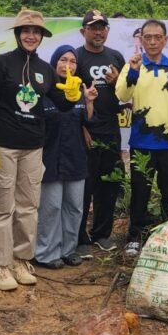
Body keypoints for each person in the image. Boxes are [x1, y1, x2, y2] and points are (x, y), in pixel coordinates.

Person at [0, 8, 68, 291]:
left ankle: (21, 260)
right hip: (3, 145)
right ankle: (0, 265)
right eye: (26, 31)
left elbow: (61, 103)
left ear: (42, 36)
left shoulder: (45, 69)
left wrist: (77, 94)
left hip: (33, 147)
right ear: (18, 34)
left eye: (36, 32)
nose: (31, 36)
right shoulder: (1, 63)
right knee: (0, 206)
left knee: (28, 207)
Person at [115, 19, 168, 257]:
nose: (153, 41)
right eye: (148, 37)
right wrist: (134, 72)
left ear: (165, 39)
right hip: (141, 142)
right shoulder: (133, 66)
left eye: (158, 37)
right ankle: (135, 235)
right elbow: (121, 94)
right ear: (141, 39)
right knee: (140, 191)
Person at [34, 46, 96, 268]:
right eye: (62, 59)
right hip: (49, 157)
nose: (67, 65)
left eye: (72, 61)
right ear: (54, 62)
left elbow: (86, 122)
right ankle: (46, 253)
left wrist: (88, 101)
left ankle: (68, 250)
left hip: (76, 157)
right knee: (50, 208)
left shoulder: (78, 90)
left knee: (74, 207)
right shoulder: (43, 90)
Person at [74, 9, 126, 252]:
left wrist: (118, 83)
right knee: (84, 186)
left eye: (102, 27)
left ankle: (102, 234)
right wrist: (82, 127)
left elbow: (127, 94)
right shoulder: (75, 58)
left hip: (111, 130)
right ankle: (79, 237)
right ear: (83, 31)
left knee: (109, 184)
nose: (98, 32)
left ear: (107, 31)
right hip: (85, 131)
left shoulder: (116, 56)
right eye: (92, 27)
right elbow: (71, 98)